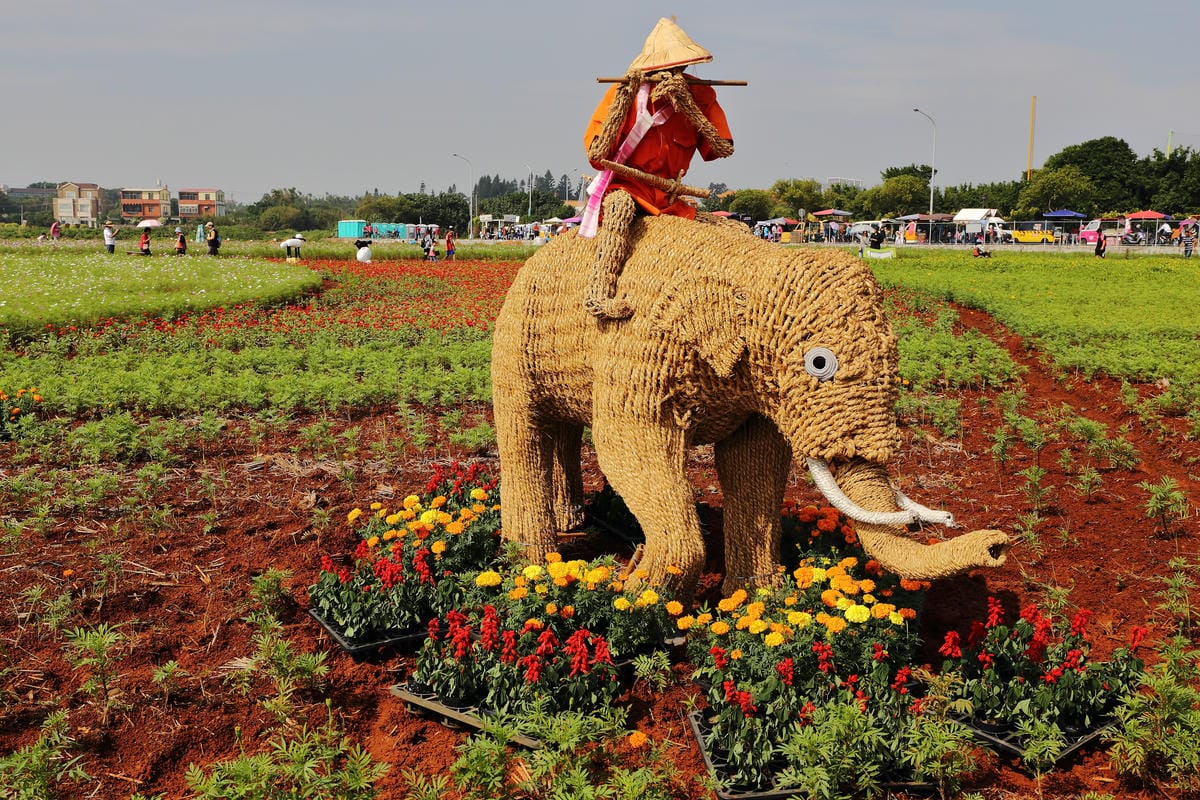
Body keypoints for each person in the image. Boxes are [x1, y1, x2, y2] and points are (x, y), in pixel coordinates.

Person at [580, 16, 734, 319]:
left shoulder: (700, 95)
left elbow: (722, 148)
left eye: (680, 67)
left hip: (670, 196)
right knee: (620, 209)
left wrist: (687, 105)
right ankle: (599, 293)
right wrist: (625, 98)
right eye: (666, 68)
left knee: (724, 232)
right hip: (629, 187)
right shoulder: (623, 92)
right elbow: (597, 154)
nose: (673, 73)